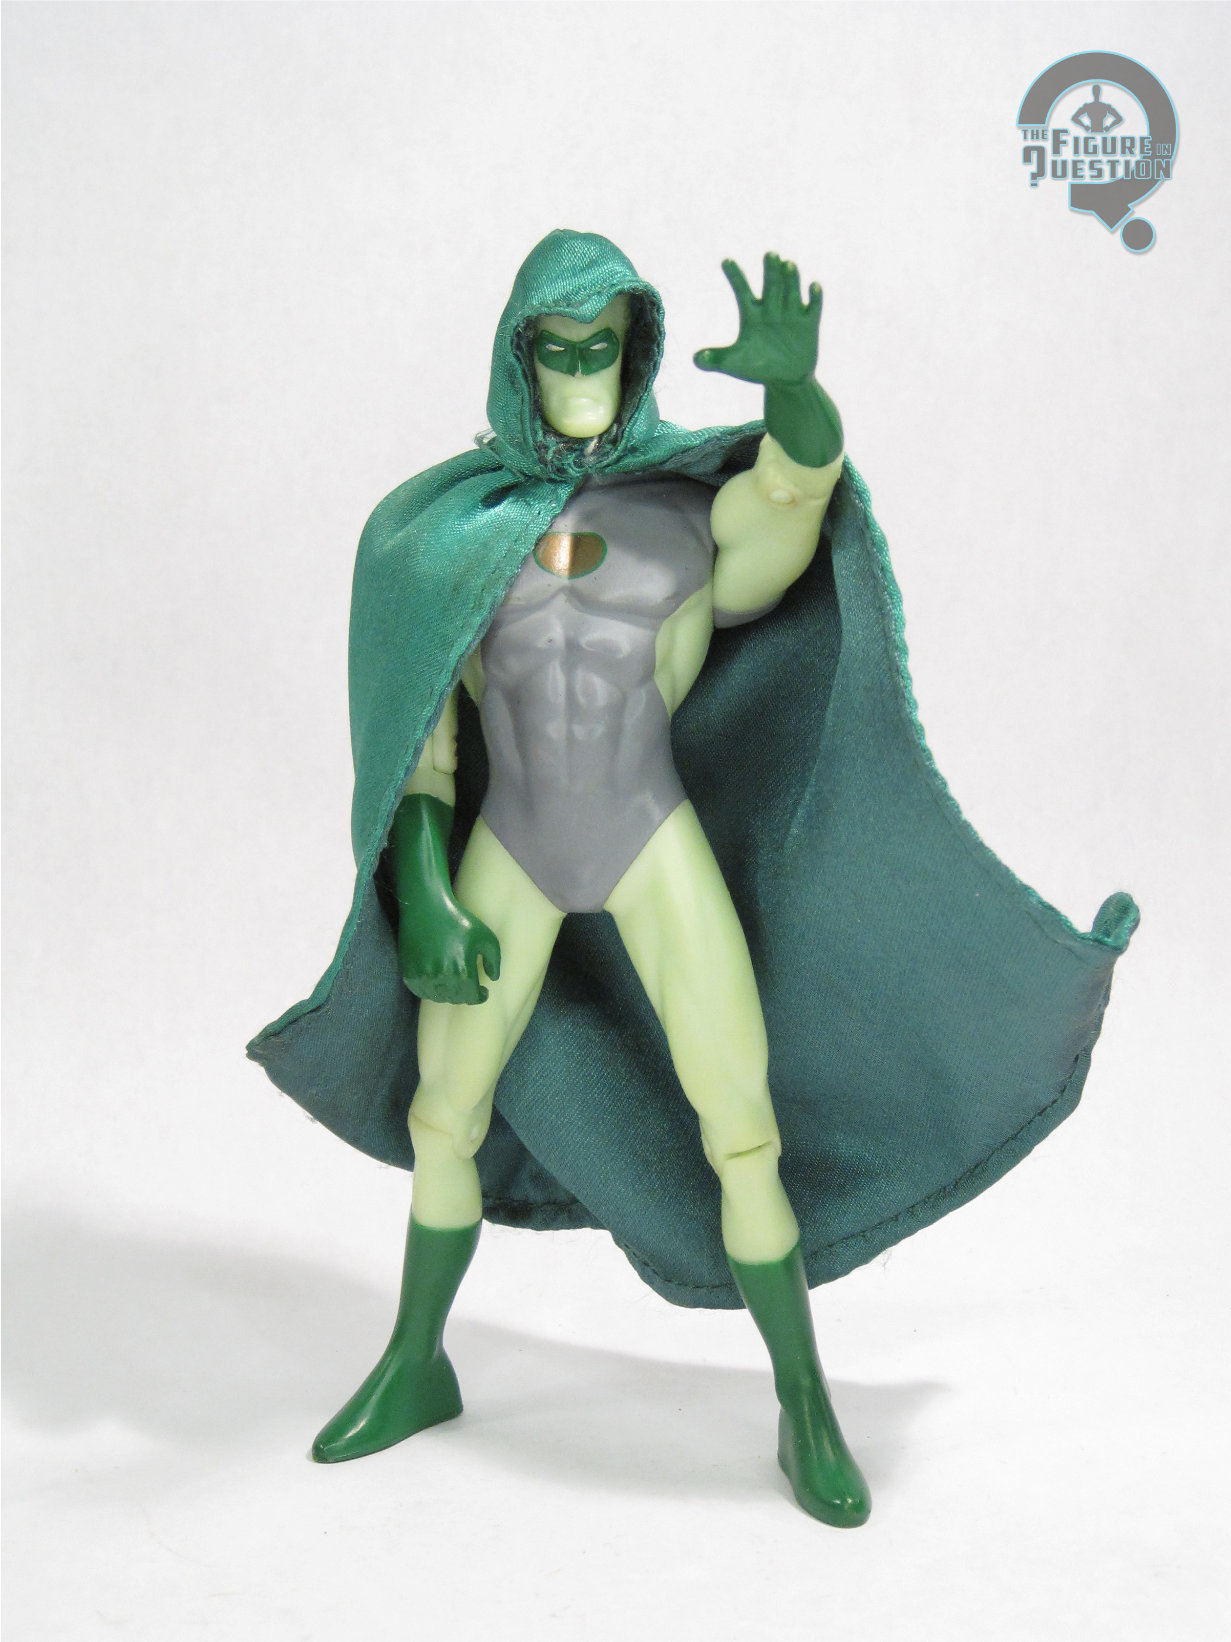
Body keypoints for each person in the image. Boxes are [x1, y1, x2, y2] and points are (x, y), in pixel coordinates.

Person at [248, 230, 1136, 1528]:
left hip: (648, 834)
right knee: (446, 1114)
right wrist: (425, 891)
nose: (580, 374)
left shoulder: (679, 518)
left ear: (638, 352)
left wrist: (796, 395)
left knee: (743, 1123)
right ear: (518, 362)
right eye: (557, 352)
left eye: (601, 349)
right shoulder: (456, 538)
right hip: (514, 853)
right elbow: (422, 752)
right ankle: (416, 1359)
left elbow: (789, 500)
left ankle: (804, 1399)